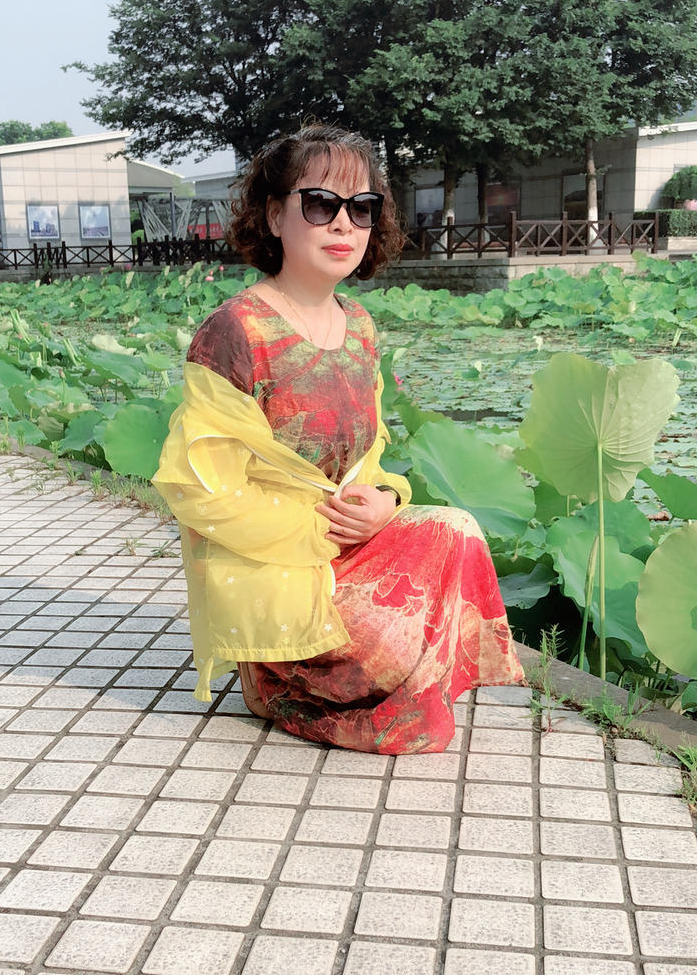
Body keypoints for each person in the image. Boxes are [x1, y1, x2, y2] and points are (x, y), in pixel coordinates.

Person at [152, 123, 524, 754]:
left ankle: (377, 678)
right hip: (279, 567)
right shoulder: (235, 332)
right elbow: (201, 492)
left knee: (456, 531)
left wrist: (386, 501)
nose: (344, 224)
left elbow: (368, 460)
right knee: (397, 636)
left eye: (362, 207)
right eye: (321, 204)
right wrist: (319, 533)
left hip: (344, 544)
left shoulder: (360, 326)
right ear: (274, 215)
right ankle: (277, 679)